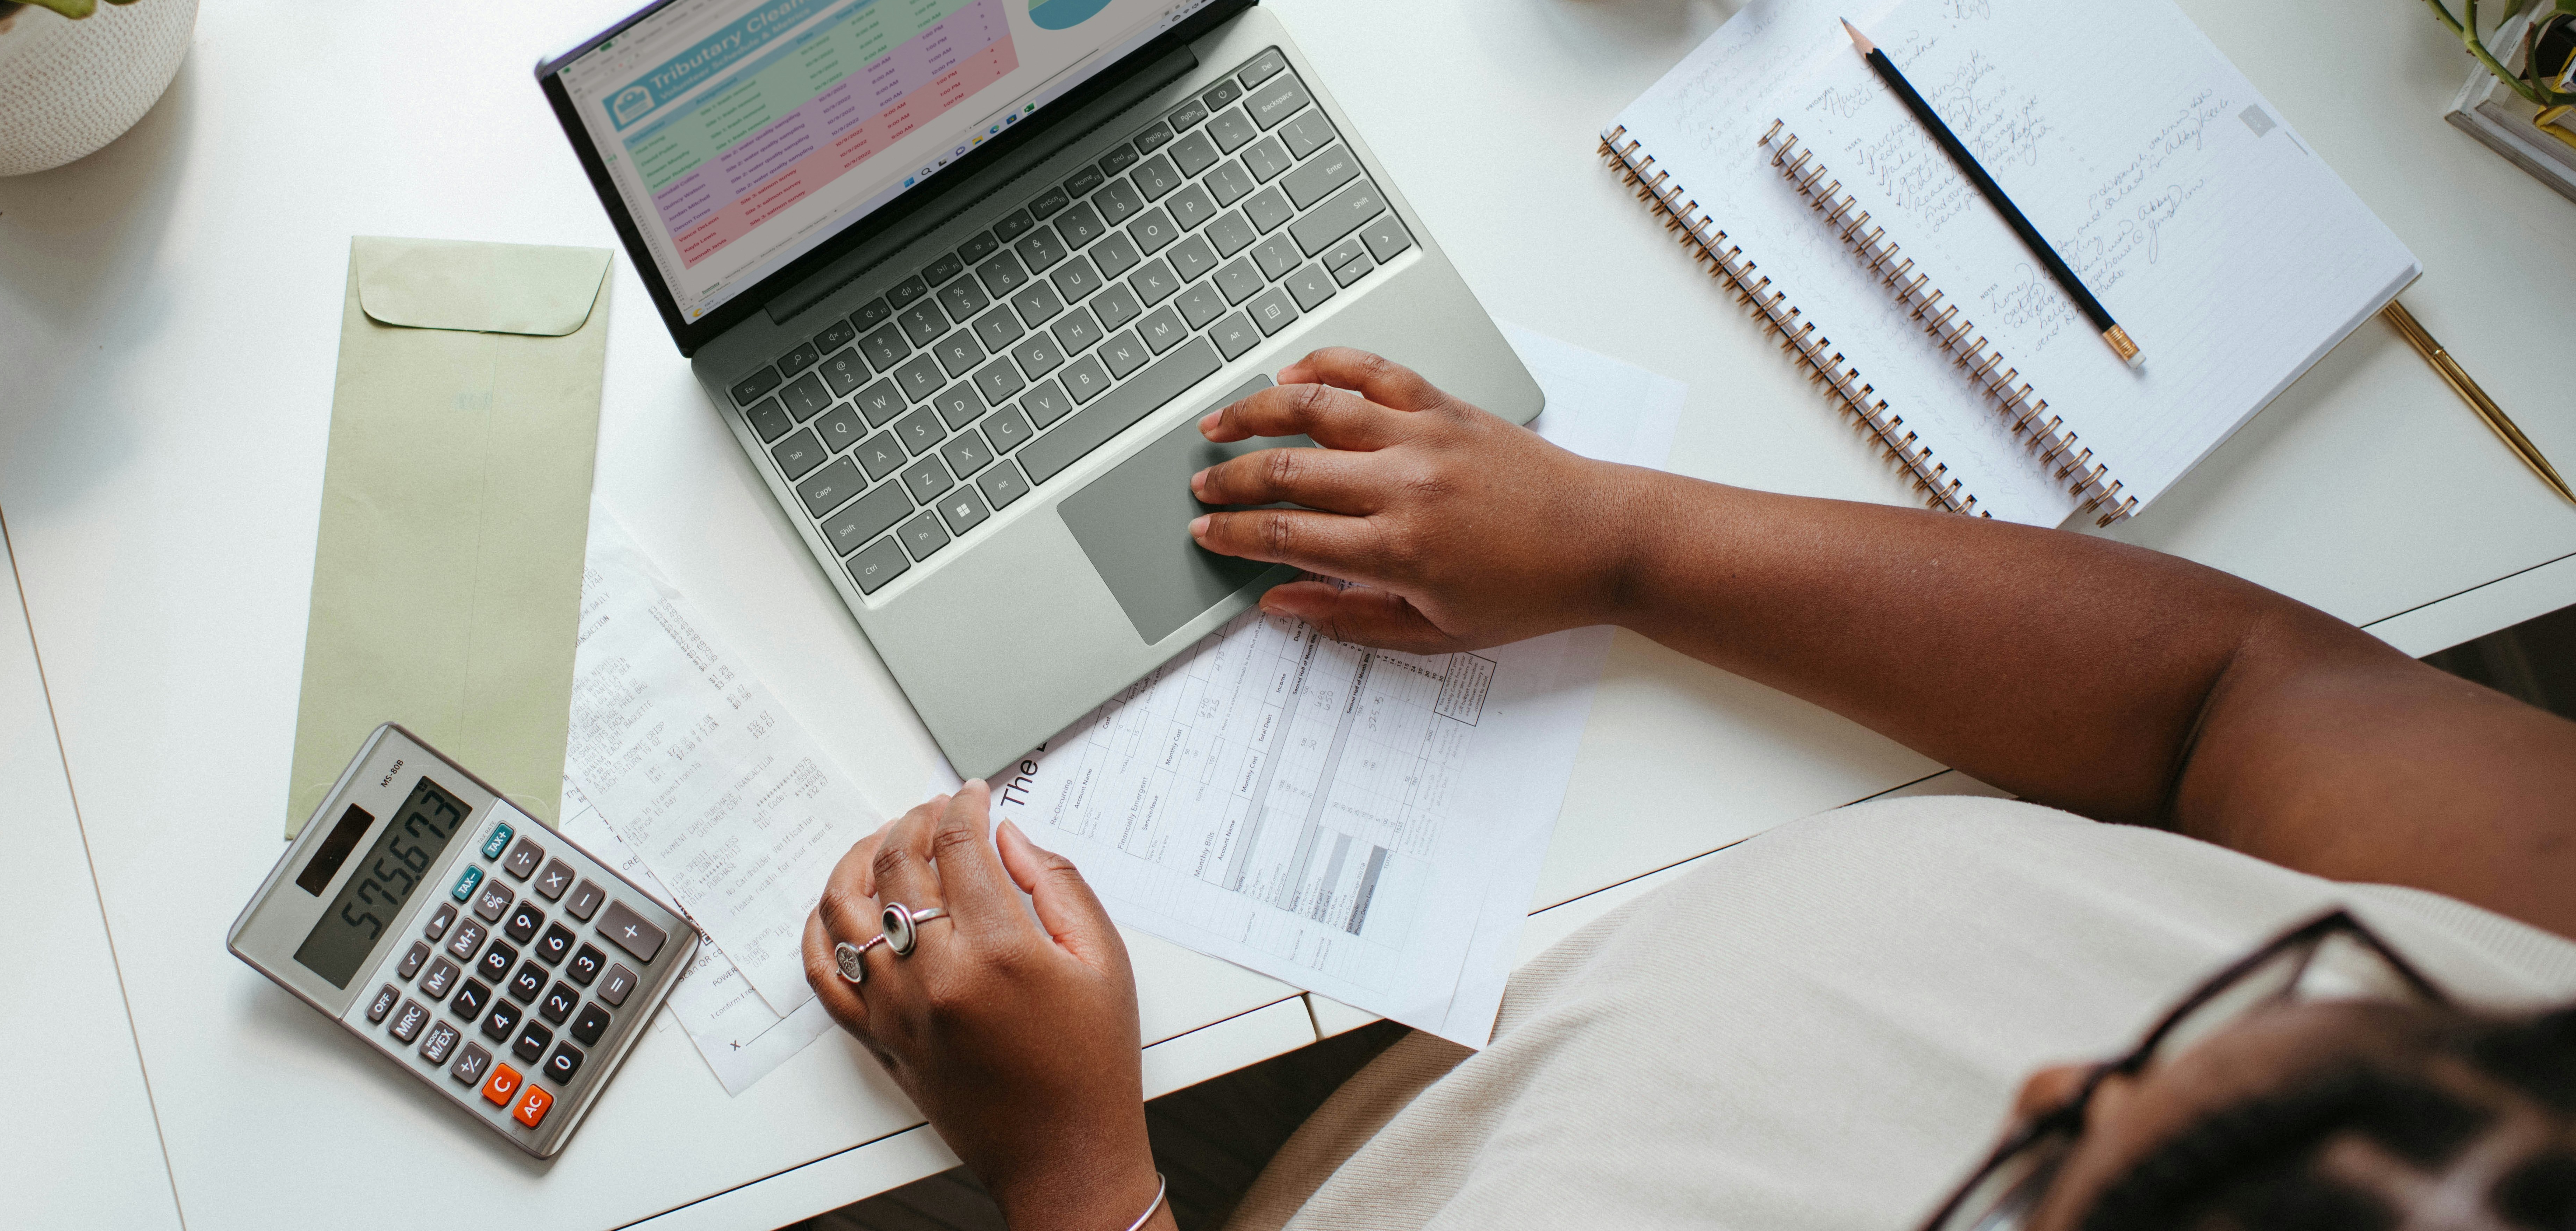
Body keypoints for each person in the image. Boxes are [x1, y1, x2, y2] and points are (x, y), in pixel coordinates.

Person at [801, 350, 2576, 1231]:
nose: (2049, 1070)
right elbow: (2240, 695)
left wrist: (1078, 1175)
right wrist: (1621, 542)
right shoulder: (2522, 1068)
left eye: (2038, 1178)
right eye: (2300, 987)